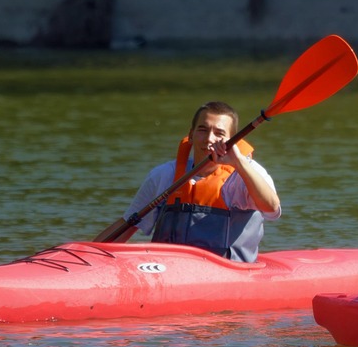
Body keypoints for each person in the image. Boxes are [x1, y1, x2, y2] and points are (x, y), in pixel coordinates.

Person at [95, 101, 281, 262]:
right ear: (191, 135)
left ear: (231, 140)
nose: (209, 139)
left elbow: (271, 209)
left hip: (229, 272)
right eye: (203, 130)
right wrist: (87, 255)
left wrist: (239, 163)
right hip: (169, 270)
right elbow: (128, 224)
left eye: (219, 133)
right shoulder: (164, 175)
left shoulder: (246, 174)